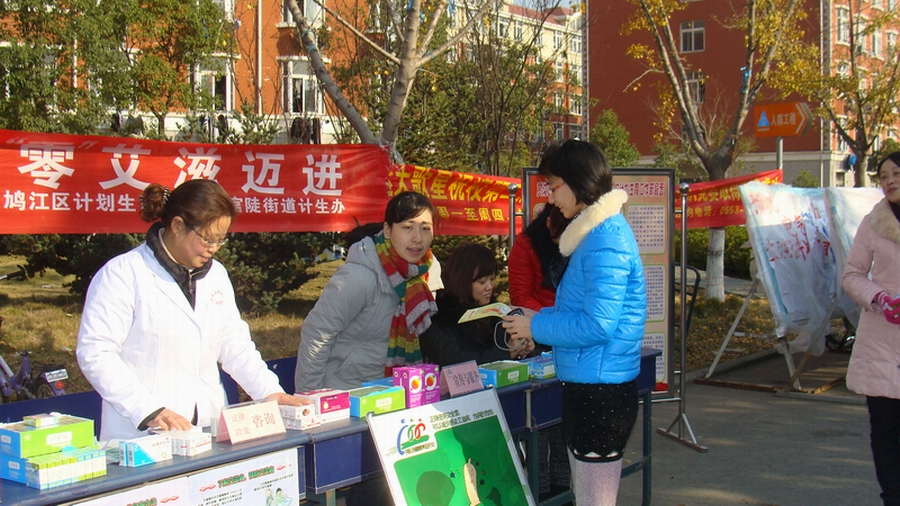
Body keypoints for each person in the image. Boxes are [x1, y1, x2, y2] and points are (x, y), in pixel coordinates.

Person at [76, 179, 308, 441]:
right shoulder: (123, 274)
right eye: (207, 239)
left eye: (220, 240)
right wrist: (146, 409)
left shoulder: (216, 275)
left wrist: (268, 391)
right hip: (144, 434)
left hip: (206, 429)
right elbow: (96, 352)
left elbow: (235, 345)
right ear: (177, 226)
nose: (213, 248)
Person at [502, 139, 646, 506]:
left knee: (594, 499)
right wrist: (537, 318)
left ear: (579, 181)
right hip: (594, 385)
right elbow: (587, 315)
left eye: (554, 186)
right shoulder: (599, 235)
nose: (551, 198)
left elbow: (597, 325)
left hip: (600, 392)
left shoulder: (606, 239)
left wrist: (536, 326)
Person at [295, 191, 439, 391]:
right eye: (407, 227)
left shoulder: (426, 273)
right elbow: (317, 334)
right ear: (387, 230)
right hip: (344, 391)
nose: (418, 238)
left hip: (398, 389)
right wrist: (309, 396)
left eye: (425, 229)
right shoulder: (358, 276)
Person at [841, 151, 900, 506]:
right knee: (885, 432)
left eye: (896, 173)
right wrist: (879, 298)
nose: (889, 181)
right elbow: (852, 274)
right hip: (881, 343)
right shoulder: (873, 223)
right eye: (883, 176)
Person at [507, 204, 572, 501]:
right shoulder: (526, 246)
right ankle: (541, 493)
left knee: (564, 427)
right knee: (540, 425)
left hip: (570, 338)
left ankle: (563, 491)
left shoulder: (583, 245)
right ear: (548, 225)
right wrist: (553, 324)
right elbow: (521, 296)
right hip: (538, 337)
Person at [420, 243, 535, 366]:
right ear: (462, 281)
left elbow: (507, 348)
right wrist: (506, 353)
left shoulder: (495, 311)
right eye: (482, 282)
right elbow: (452, 360)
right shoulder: (440, 316)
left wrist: (521, 350)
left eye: (492, 279)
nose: (489, 287)